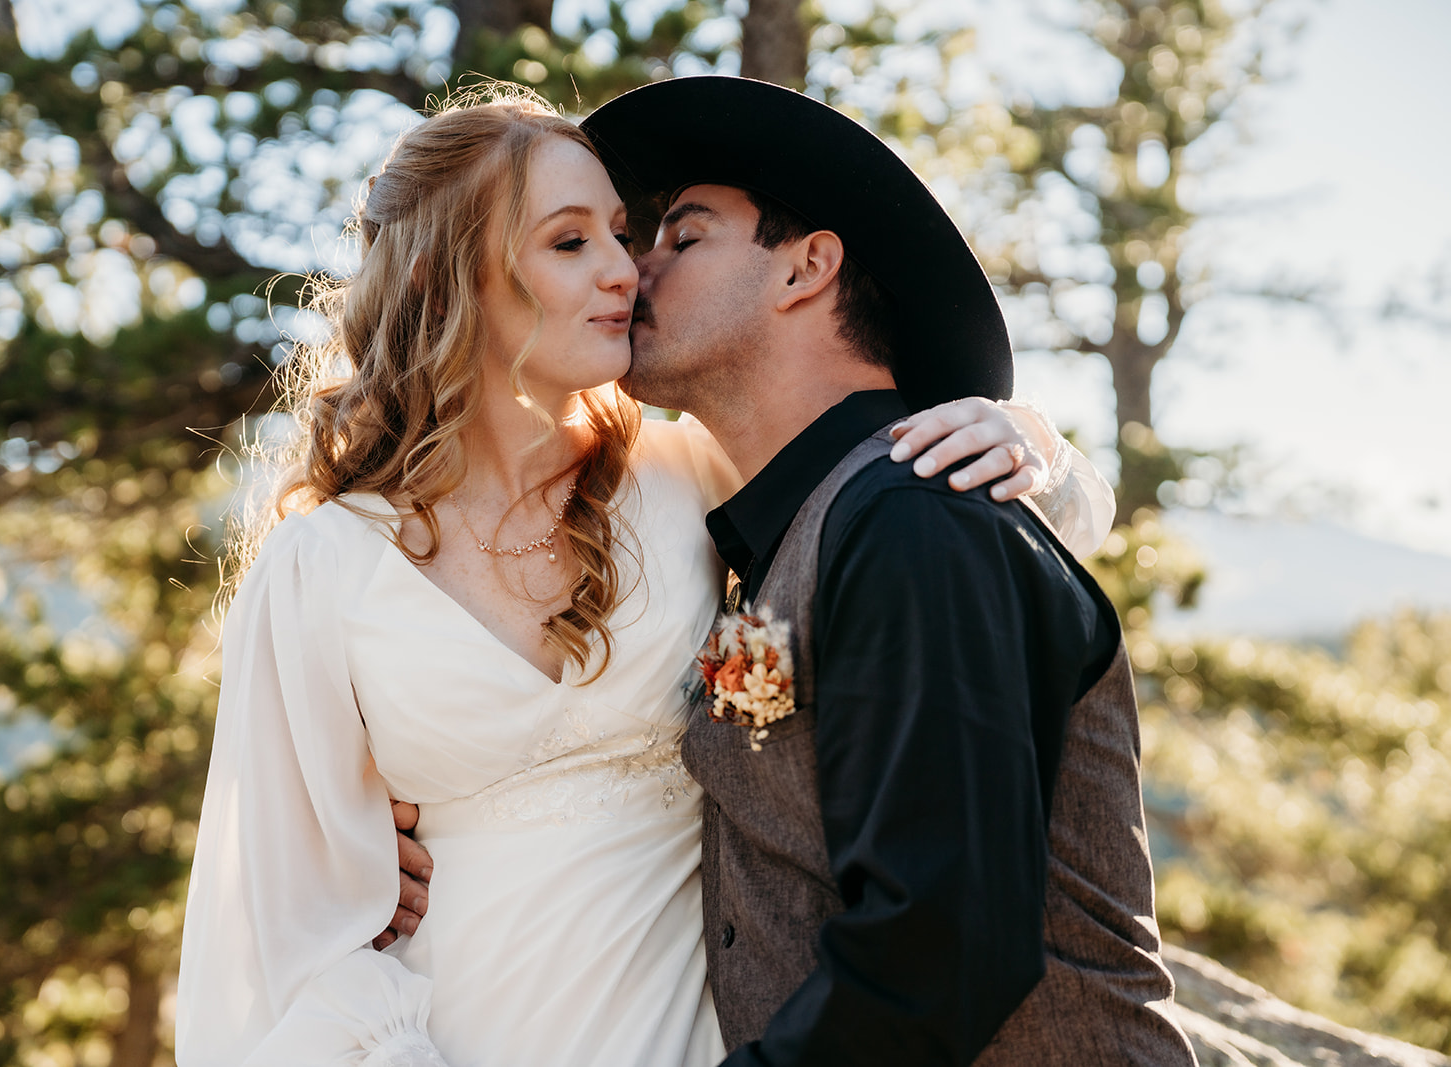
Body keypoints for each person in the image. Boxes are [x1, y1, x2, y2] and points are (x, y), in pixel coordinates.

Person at [175, 85, 1112, 1066]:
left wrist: (1028, 438)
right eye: (570, 242)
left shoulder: (691, 481)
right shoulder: (320, 564)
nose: (626, 270)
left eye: (625, 233)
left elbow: (955, 545)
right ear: (442, 281)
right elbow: (291, 925)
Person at [570, 75, 1198, 1064]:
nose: (630, 272)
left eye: (681, 238)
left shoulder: (915, 520)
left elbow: (936, 949)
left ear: (806, 268)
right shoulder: (776, 549)